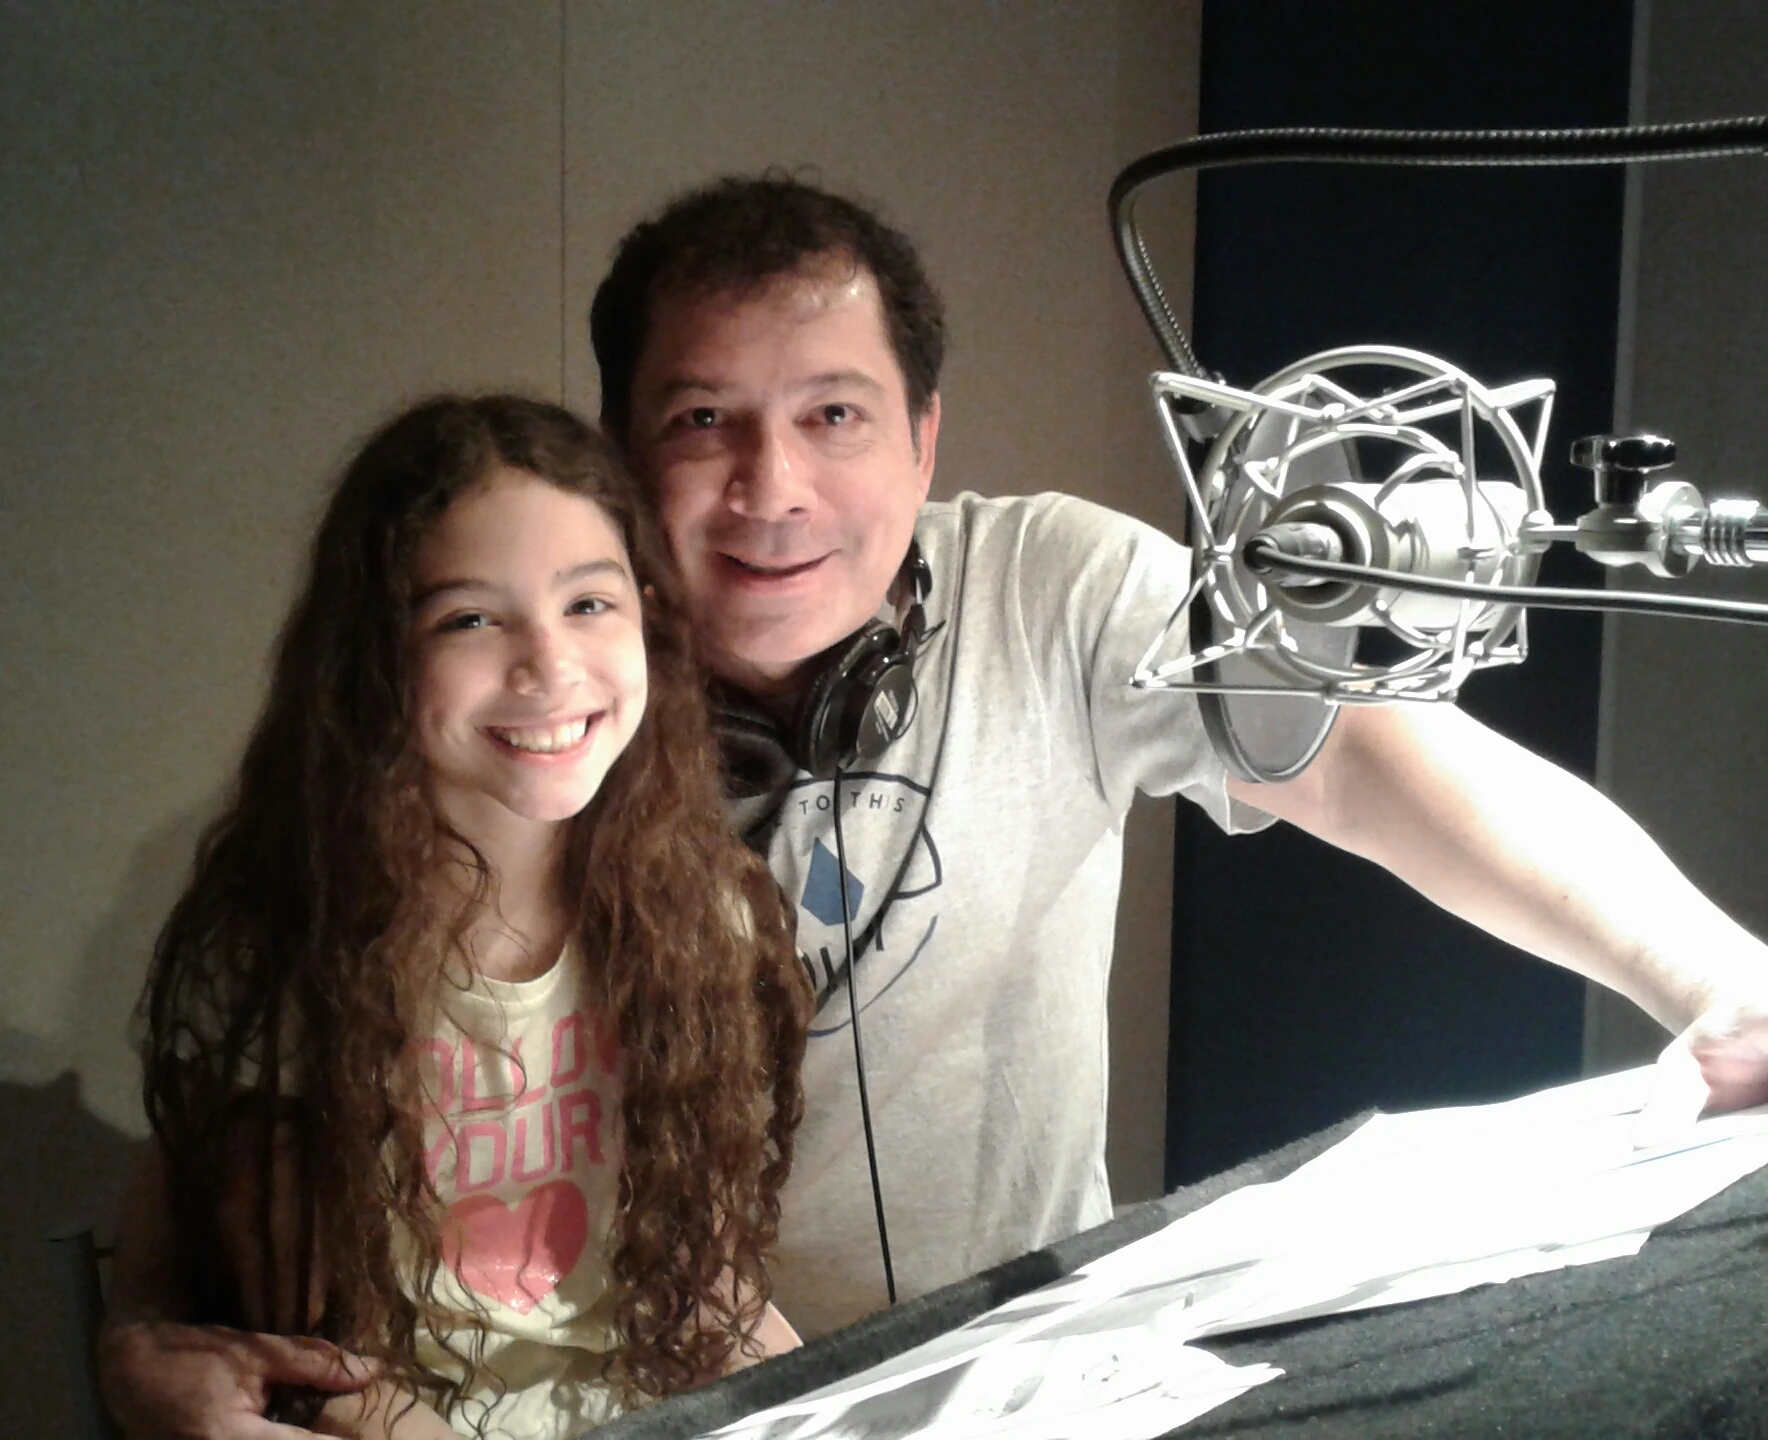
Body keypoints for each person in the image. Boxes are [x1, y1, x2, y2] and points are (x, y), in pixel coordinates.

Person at [101, 178, 1768, 1432]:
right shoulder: (541, 719)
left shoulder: (1058, 585)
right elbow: (286, 1077)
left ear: (921, 432)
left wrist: (1714, 979)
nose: (771, 490)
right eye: (703, 423)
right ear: (618, 450)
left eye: (832, 415)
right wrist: (139, 1339)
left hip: (1038, 1370)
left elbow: (1366, 759)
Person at [100, 395, 810, 1439]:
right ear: (376, 658)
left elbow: (706, 1296)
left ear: (649, 620)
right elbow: (314, 1359)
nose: (550, 667)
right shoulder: (287, 951)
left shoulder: (705, 912)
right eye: (471, 619)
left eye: (589, 603)